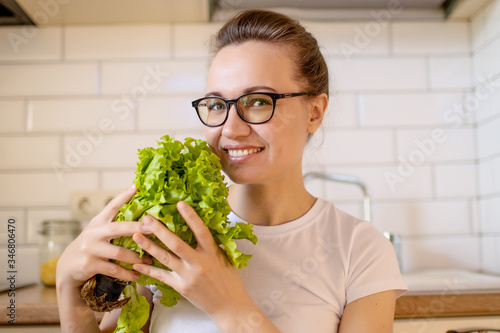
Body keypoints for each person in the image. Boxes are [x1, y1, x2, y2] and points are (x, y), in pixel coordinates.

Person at [56, 9, 407, 333]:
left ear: (314, 112)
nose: (231, 128)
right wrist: (70, 297)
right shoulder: (168, 232)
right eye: (216, 104)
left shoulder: (360, 250)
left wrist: (230, 308)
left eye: (258, 102)